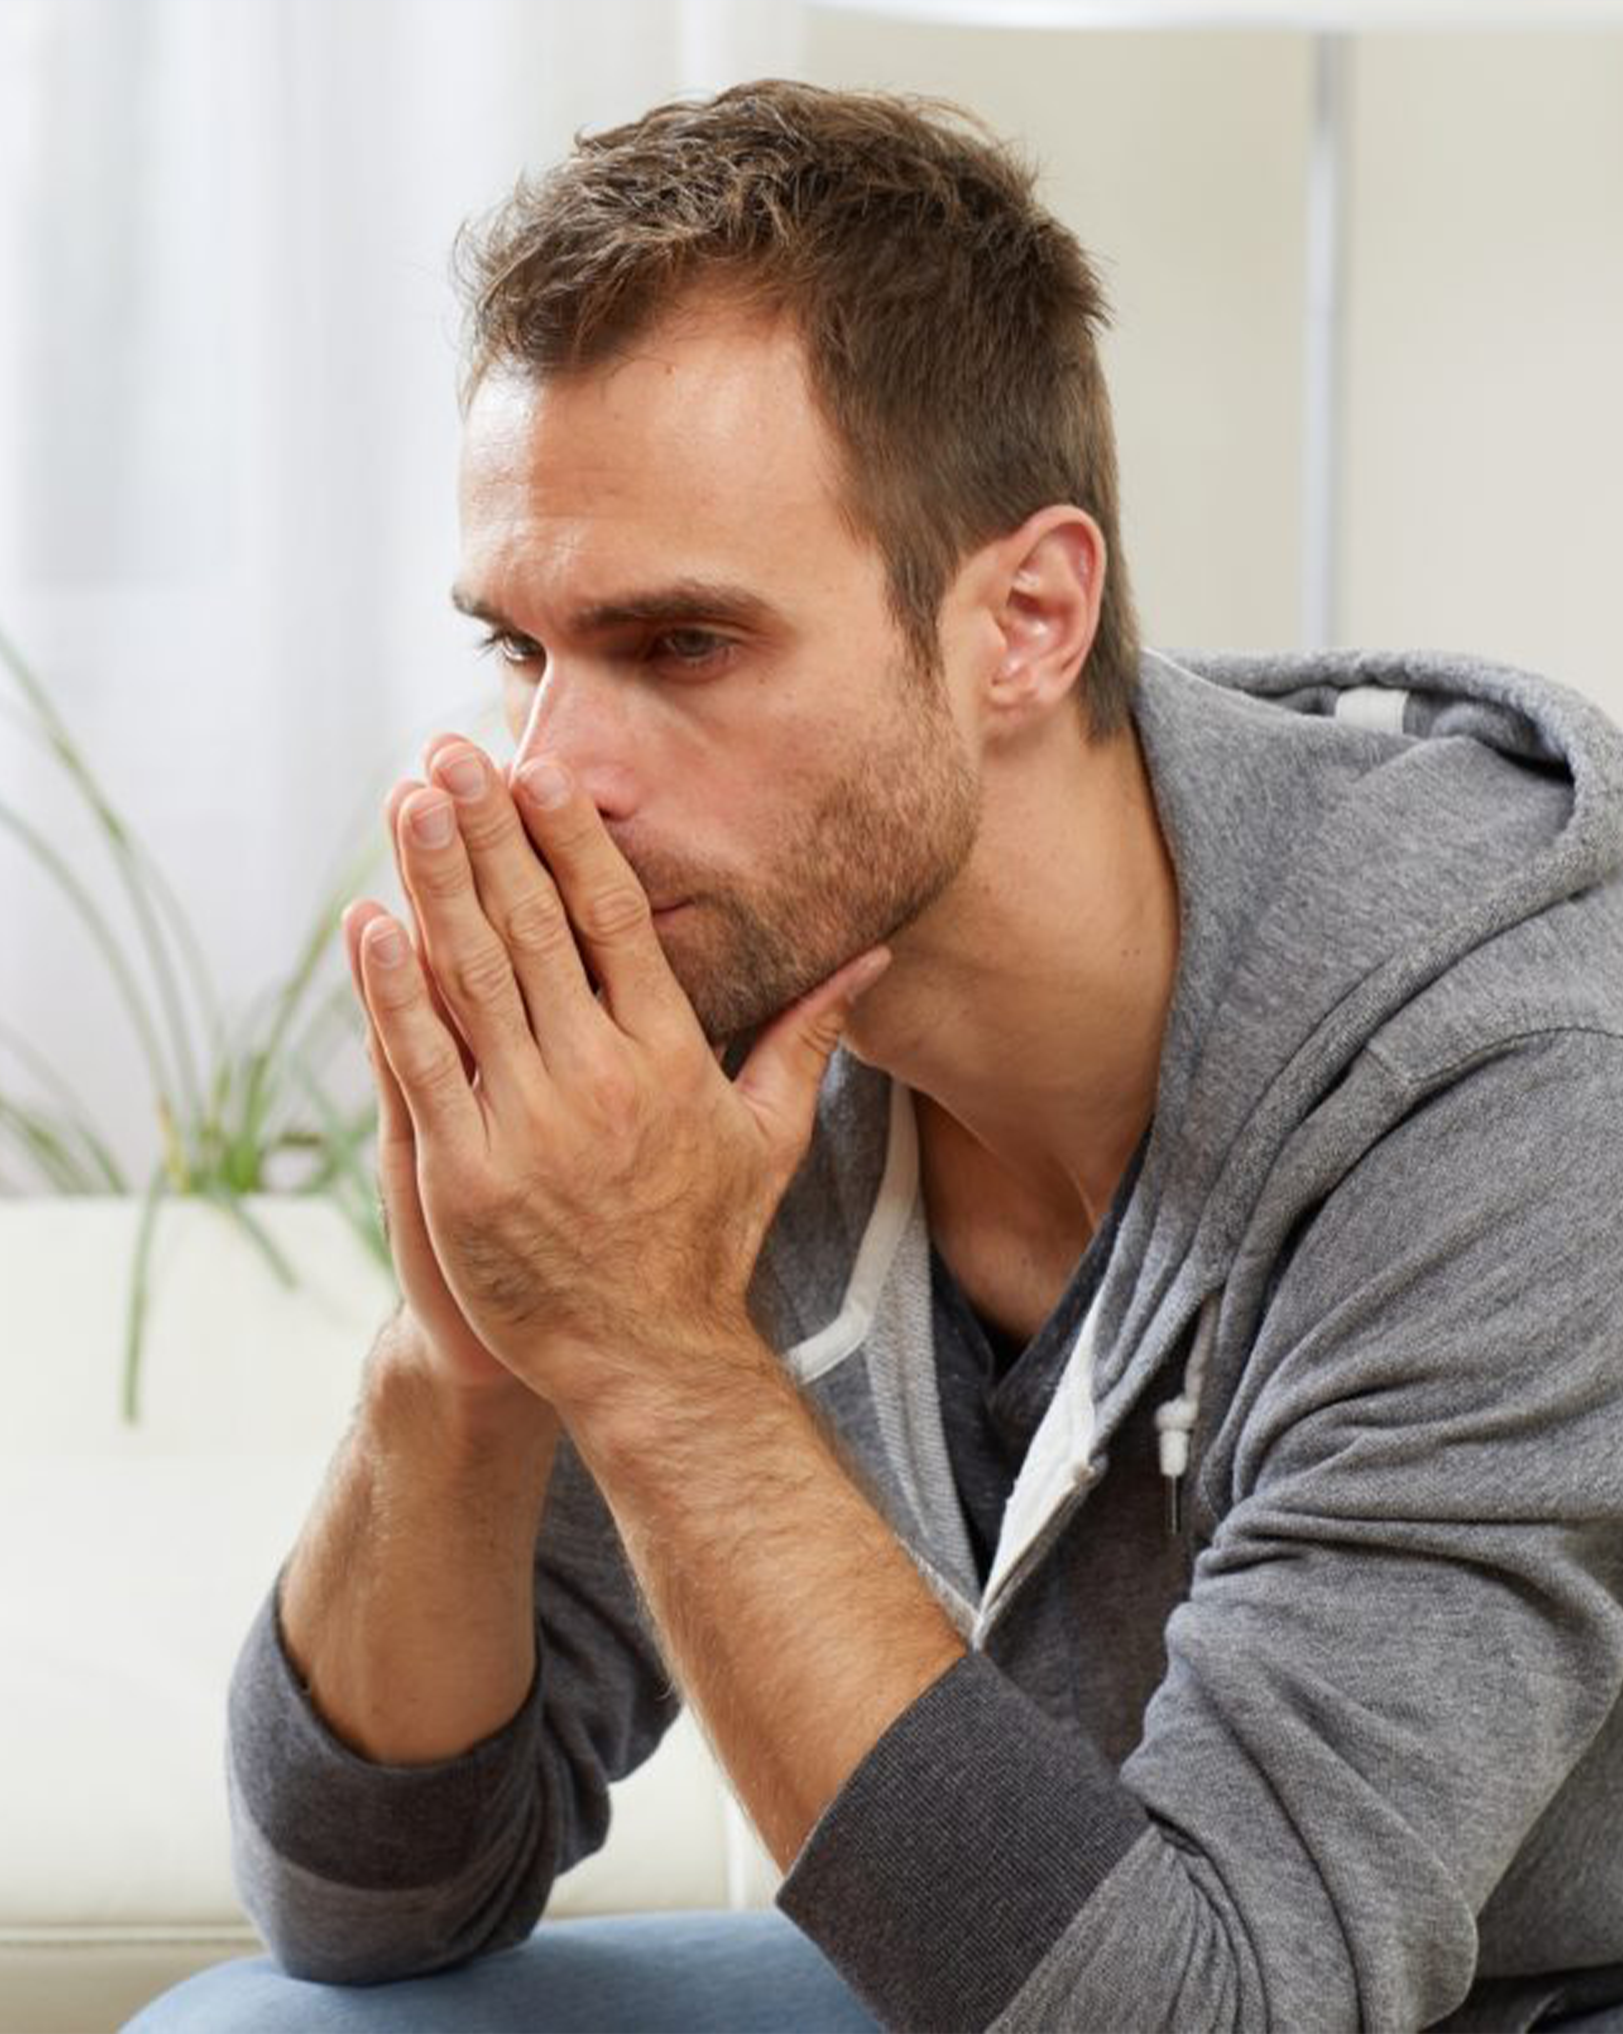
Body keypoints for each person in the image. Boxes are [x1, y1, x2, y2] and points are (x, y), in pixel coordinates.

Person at [126, 77, 1623, 2034]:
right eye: (521, 649)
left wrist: (661, 1355)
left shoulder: (1514, 1094)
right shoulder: (749, 1000)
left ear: (1026, 615)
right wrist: (470, 1365)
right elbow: (374, 1902)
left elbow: (1219, 2011)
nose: (548, 773)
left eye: (679, 646)